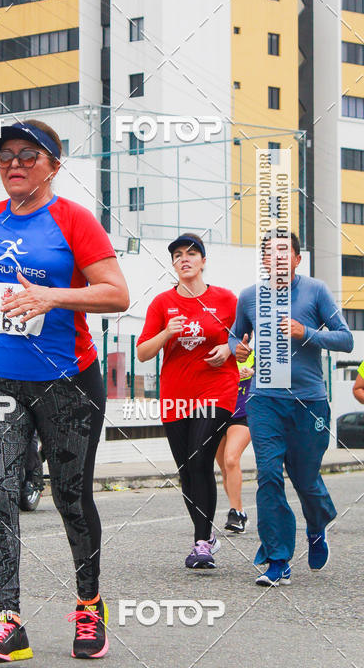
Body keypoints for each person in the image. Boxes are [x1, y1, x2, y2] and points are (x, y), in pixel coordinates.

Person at [0, 119, 129, 663]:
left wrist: (53, 298)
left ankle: (89, 605)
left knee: (71, 496)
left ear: (54, 163)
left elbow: (116, 294)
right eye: (4, 157)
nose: (14, 165)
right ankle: (9, 622)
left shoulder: (74, 221)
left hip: (66, 380)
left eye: (28, 155)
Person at [229, 230, 354, 586]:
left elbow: (345, 339)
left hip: (308, 402)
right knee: (268, 476)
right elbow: (236, 335)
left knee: (305, 480)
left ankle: (316, 526)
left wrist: (306, 332)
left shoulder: (315, 291)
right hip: (265, 400)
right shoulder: (250, 297)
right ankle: (278, 559)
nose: (277, 258)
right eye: (270, 252)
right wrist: (238, 348)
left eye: (285, 252)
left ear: (298, 259)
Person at [137, 233, 239, 570]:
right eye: (178, 255)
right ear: (173, 264)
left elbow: (244, 337)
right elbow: (142, 353)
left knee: (199, 459)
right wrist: (166, 333)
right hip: (176, 395)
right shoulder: (162, 304)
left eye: (192, 254)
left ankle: (200, 544)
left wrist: (228, 348)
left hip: (217, 389)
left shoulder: (226, 300)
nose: (185, 259)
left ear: (203, 261)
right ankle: (206, 535)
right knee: (186, 471)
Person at [215, 350, 254, 534]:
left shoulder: (258, 351)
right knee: (224, 467)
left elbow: (276, 375)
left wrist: (253, 372)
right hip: (218, 413)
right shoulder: (219, 351)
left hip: (242, 414)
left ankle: (236, 513)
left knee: (231, 459)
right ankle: (239, 512)